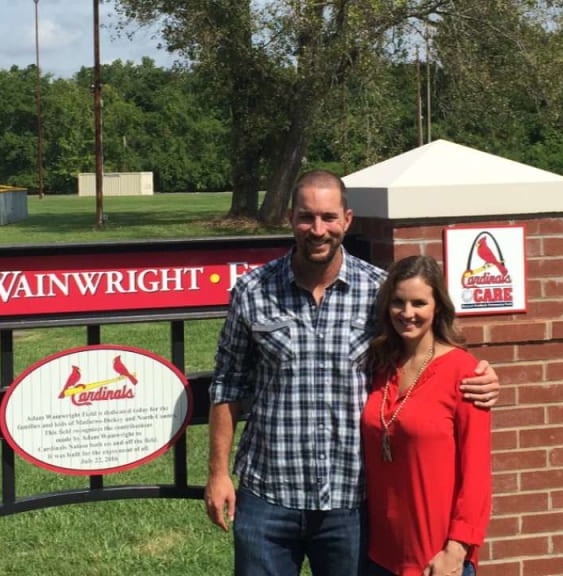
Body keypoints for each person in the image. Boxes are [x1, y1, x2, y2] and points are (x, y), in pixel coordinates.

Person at [203, 170, 499, 576]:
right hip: (268, 495)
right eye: (307, 217)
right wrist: (218, 473)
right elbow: (227, 384)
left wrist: (479, 374)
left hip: (351, 502)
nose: (318, 229)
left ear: (347, 220)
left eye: (328, 217)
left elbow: (424, 350)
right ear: (291, 218)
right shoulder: (253, 290)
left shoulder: (378, 292)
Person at [361, 256, 491, 576]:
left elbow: (477, 475)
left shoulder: (465, 373)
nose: (407, 314)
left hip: (437, 559)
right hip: (380, 555)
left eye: (419, 303)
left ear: (438, 307)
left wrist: (456, 549)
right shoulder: (380, 368)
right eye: (398, 302)